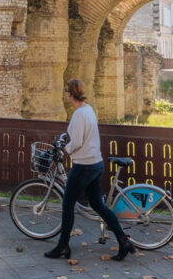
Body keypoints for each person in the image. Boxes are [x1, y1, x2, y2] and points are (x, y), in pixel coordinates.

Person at [44, 78, 135, 261]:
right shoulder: (88, 109)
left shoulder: (78, 114)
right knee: (98, 205)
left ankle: (63, 246)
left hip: (84, 165)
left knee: (67, 204)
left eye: (66, 92)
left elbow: (76, 142)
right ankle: (124, 241)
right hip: (96, 162)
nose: (66, 95)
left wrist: (65, 149)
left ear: (70, 94)